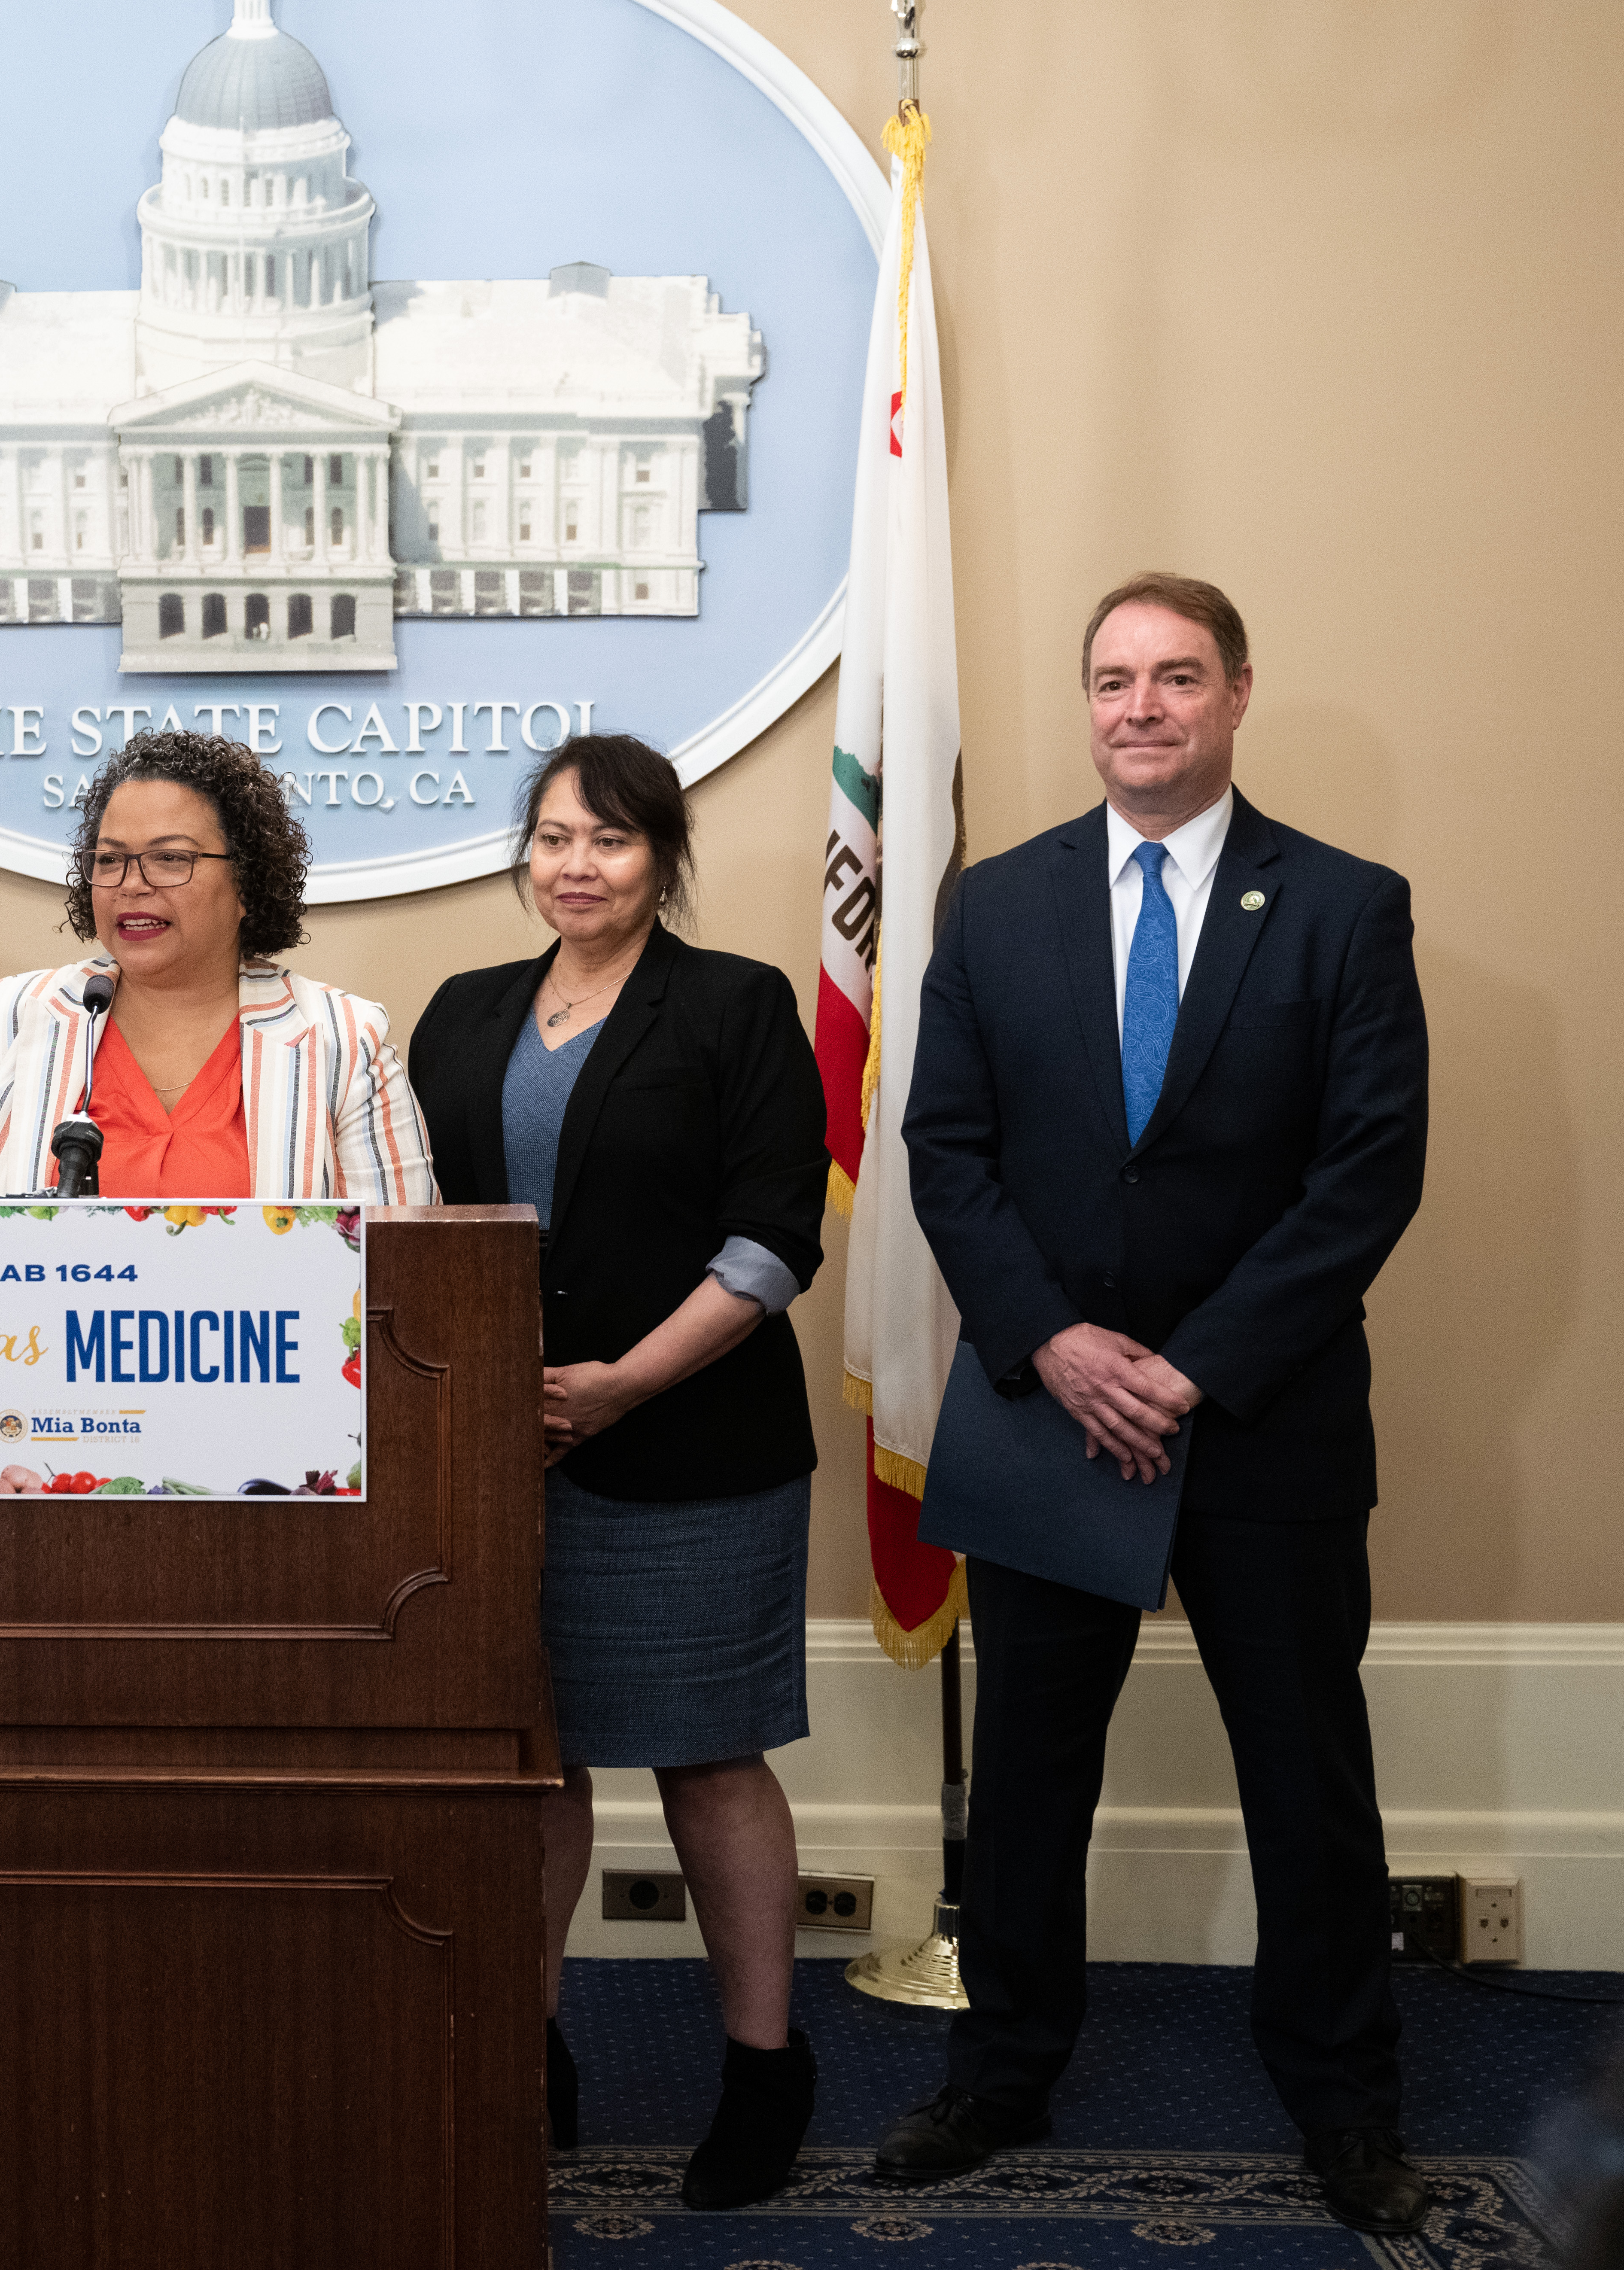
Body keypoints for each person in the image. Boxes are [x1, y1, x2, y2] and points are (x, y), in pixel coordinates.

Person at [885, 574, 1431, 2234]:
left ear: (1234, 694)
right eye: (1112, 678)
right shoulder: (992, 905)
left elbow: (1363, 1174)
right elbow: (943, 1149)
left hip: (1255, 1417)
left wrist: (1187, 1367)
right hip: (1047, 1408)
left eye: (1173, 676)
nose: (1139, 706)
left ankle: (1338, 2097)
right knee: (1033, 1775)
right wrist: (1055, 1343)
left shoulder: (1340, 905)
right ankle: (1000, 2070)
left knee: (1304, 1776)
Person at [407, 734, 830, 2207]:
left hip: (694, 1446)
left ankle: (764, 2064)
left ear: (662, 855)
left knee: (711, 1757)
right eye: (549, 838)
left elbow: (778, 1234)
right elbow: (412, 1226)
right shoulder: (462, 1015)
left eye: (608, 839)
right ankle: (528, 2053)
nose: (573, 864)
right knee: (532, 1765)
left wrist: (622, 1385)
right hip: (495, 1457)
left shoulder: (736, 1005)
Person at [0, 731, 433, 1205]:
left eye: (170, 858)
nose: (132, 884)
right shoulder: (9, 1021)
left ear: (246, 883)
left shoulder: (341, 1040)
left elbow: (405, 1268)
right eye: (109, 859)